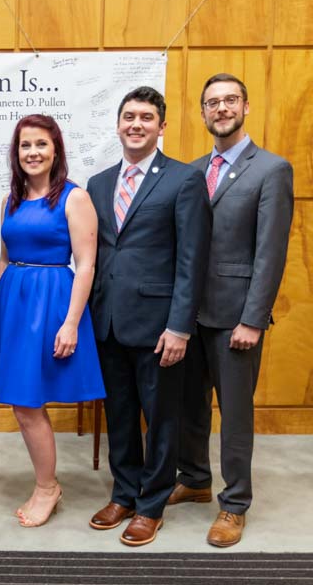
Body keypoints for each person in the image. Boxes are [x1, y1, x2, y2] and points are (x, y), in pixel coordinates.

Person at [170, 74, 294, 547]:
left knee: (235, 413)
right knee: (189, 406)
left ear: (245, 106)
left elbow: (270, 253)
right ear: (202, 112)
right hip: (189, 315)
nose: (221, 109)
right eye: (212, 102)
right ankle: (196, 479)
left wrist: (253, 319)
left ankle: (235, 503)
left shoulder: (271, 169)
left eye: (229, 100)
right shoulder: (193, 170)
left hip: (236, 317)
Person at [86, 86, 211, 546]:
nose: (135, 124)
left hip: (161, 326)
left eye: (145, 117)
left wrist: (180, 326)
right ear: (117, 124)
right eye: (128, 116)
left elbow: (191, 259)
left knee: (161, 418)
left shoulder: (182, 180)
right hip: (109, 322)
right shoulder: (98, 184)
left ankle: (152, 503)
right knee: (119, 414)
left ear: (161, 126)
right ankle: (124, 492)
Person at [0, 114, 105, 527]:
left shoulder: (74, 198)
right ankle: (46, 483)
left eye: (41, 145)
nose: (32, 152)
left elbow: (86, 265)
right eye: (24, 145)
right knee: (20, 402)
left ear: (56, 151)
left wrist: (70, 323)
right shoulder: (7, 200)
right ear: (16, 153)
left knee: (30, 402)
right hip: (13, 303)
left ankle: (47, 487)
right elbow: (2, 258)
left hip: (51, 304)